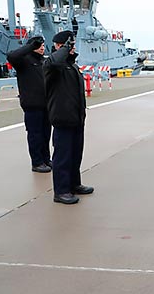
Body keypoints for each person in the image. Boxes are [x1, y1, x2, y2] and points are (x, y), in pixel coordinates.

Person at [43, 30, 94, 205]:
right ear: (59, 46)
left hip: (76, 117)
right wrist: (64, 48)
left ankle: (74, 184)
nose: (72, 48)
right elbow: (55, 61)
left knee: (75, 154)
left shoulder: (71, 65)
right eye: (68, 45)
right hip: (62, 117)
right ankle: (61, 191)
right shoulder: (52, 64)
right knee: (63, 156)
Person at [7, 36, 52, 173]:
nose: (42, 47)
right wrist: (31, 46)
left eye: (43, 45)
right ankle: (37, 162)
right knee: (35, 135)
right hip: (32, 105)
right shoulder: (24, 61)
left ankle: (46, 159)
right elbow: (12, 56)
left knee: (45, 134)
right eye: (39, 45)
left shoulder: (44, 62)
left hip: (46, 105)